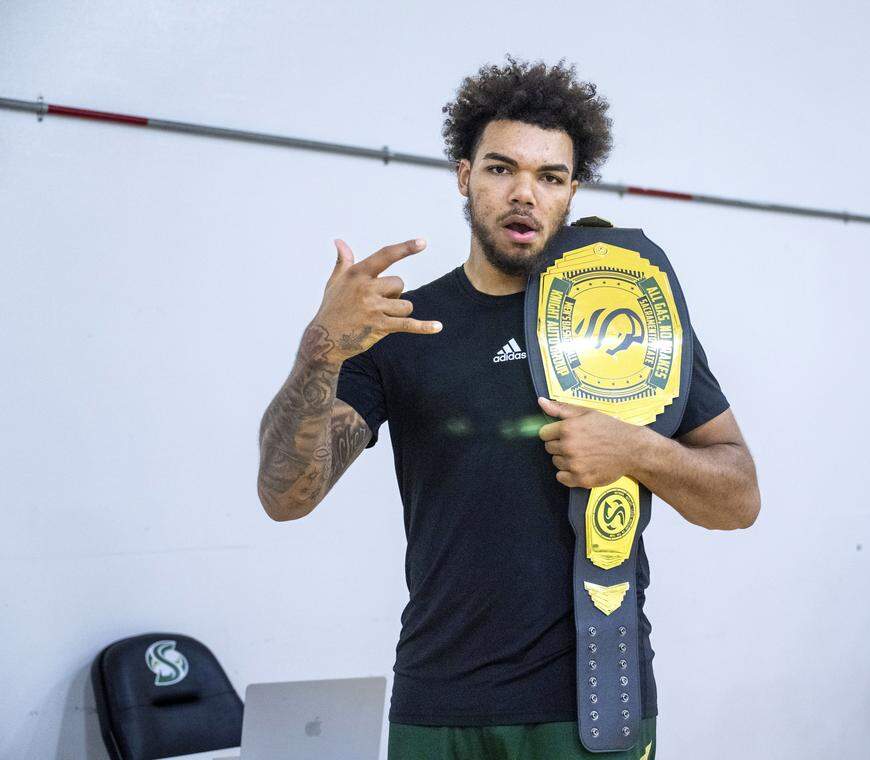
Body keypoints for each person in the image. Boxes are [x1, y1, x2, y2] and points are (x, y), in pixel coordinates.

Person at [256, 55, 761, 760]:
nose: (525, 194)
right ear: (465, 176)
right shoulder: (400, 327)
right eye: (501, 169)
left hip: (595, 700)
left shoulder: (624, 318)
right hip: (440, 706)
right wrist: (321, 349)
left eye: (550, 177)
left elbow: (738, 498)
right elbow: (287, 494)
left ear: (571, 189)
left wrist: (636, 450)